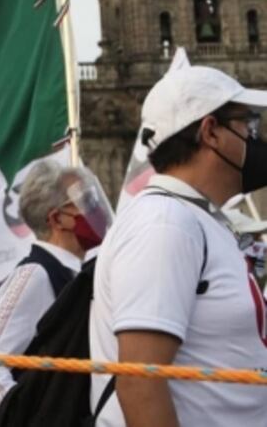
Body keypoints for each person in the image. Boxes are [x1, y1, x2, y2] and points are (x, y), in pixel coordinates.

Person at [90, 66, 267, 426]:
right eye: (247, 125)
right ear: (211, 131)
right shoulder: (166, 223)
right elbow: (140, 381)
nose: (255, 137)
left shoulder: (198, 220)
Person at [0, 160, 110, 410]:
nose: (95, 211)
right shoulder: (35, 273)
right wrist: (24, 417)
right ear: (57, 218)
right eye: (84, 203)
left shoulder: (77, 273)